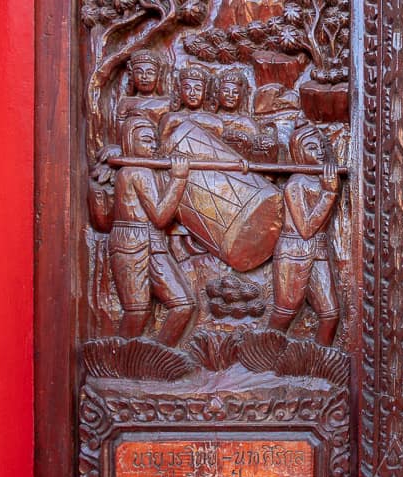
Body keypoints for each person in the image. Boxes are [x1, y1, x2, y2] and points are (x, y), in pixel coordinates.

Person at [109, 116, 197, 346]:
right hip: (132, 242)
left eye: (154, 141)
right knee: (137, 311)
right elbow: (160, 216)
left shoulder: (144, 170)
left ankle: (155, 357)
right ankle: (121, 361)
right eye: (146, 140)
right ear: (130, 142)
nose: (153, 146)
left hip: (152, 243)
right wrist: (179, 178)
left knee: (183, 304)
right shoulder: (136, 171)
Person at [268, 124, 340, 346]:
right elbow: (306, 228)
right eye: (311, 147)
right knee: (286, 310)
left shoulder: (319, 179)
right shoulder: (295, 183)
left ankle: (318, 360)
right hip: (295, 250)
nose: (319, 151)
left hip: (317, 250)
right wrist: (329, 193)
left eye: (321, 146)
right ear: (299, 153)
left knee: (330, 314)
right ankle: (265, 355)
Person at [213, 68, 278, 162]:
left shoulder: (246, 122)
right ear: (217, 92)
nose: (230, 95)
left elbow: (257, 152)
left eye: (235, 92)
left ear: (242, 95)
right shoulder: (209, 119)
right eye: (226, 91)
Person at [116, 49, 171, 131]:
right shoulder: (126, 103)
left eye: (150, 72)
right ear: (132, 75)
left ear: (158, 76)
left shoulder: (167, 103)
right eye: (139, 72)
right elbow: (120, 133)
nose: (144, 77)